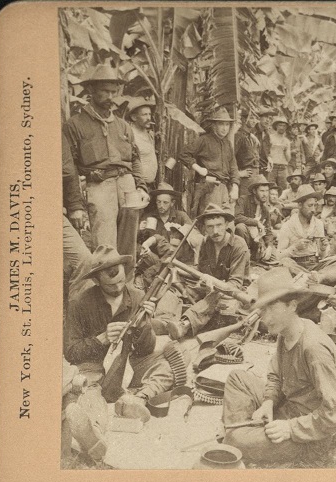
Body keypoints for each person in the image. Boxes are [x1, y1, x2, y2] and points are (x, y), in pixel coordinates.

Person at [222, 267, 336, 463]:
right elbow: (276, 375)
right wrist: (269, 402)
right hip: (287, 407)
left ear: (292, 305)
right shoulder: (285, 332)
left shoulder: (313, 348)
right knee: (237, 378)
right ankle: (243, 433)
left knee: (235, 442)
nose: (265, 318)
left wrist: (290, 428)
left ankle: (239, 437)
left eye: (271, 308)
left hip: (308, 434)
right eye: (263, 310)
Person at [65, 246, 173, 411]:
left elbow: (146, 350)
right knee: (81, 382)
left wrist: (145, 324)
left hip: (129, 364)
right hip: (94, 368)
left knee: (171, 361)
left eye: (121, 281)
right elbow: (70, 352)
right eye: (110, 285)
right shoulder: (79, 303)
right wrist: (101, 339)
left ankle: (139, 399)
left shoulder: (138, 297)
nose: (117, 288)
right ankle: (95, 413)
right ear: (97, 281)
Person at [62, 64, 144, 259]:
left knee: (129, 244)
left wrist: (141, 187)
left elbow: (135, 158)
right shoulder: (75, 125)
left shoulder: (123, 126)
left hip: (127, 185)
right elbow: (70, 168)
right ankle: (106, 279)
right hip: (100, 185)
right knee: (105, 246)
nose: (110, 96)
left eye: (113, 92)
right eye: (105, 91)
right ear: (91, 90)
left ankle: (128, 278)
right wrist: (75, 206)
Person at [164, 204, 251, 340]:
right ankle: (164, 321)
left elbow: (235, 283)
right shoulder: (207, 242)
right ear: (204, 228)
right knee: (173, 284)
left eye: (219, 225)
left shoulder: (238, 245)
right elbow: (201, 270)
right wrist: (180, 272)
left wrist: (213, 286)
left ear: (226, 224)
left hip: (234, 292)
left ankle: (184, 324)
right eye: (210, 227)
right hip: (209, 286)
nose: (215, 231)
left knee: (216, 295)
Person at [179, 108, 239, 214]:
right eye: (221, 124)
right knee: (212, 218)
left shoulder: (228, 144)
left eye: (227, 125)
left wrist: (235, 186)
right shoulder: (204, 140)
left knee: (228, 220)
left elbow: (233, 166)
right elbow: (183, 154)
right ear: (214, 125)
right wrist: (198, 168)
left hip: (225, 187)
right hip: (209, 186)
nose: (224, 128)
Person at [277, 185, 327, 267]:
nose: (313, 210)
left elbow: (322, 256)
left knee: (335, 261)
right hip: (294, 264)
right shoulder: (288, 226)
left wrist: (322, 249)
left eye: (315, 205)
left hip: (314, 264)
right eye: (310, 206)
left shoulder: (318, 224)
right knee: (285, 262)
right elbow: (279, 256)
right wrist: (295, 247)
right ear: (300, 205)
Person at [234, 174, 280, 261]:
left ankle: (256, 256)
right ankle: (242, 256)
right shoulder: (243, 200)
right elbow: (237, 217)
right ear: (254, 191)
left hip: (257, 240)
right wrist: (256, 222)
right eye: (262, 191)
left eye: (267, 191)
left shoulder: (265, 209)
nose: (265, 194)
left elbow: (268, 231)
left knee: (274, 257)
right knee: (240, 227)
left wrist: (269, 247)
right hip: (245, 238)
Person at [126, 99, 158, 187]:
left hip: (150, 185)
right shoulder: (130, 134)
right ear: (134, 117)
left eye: (149, 114)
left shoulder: (149, 134)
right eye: (144, 114)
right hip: (136, 185)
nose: (149, 118)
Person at [234, 109, 264, 198]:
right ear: (243, 119)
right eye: (251, 118)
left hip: (255, 174)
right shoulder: (238, 136)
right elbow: (231, 156)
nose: (254, 121)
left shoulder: (252, 137)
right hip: (245, 176)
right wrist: (238, 173)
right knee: (244, 200)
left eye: (255, 118)